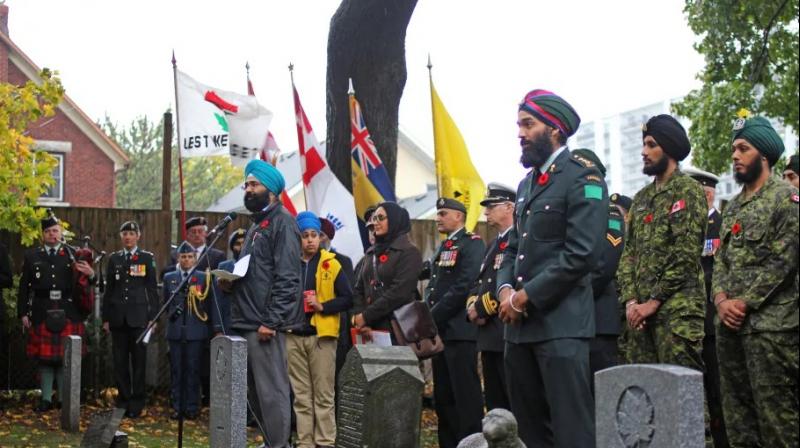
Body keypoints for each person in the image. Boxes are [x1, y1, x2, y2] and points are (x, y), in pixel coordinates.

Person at [496, 89, 607, 447]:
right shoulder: (526, 185)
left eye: (529, 124)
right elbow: (512, 249)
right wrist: (504, 291)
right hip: (519, 330)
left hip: (561, 327)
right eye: (519, 125)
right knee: (529, 431)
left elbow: (582, 254)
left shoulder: (583, 178)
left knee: (572, 430)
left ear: (555, 129)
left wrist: (525, 297)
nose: (520, 133)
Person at [713, 115, 799, 447]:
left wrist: (743, 302)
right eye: (734, 148)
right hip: (730, 331)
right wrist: (721, 301)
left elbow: (784, 261)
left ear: (763, 155)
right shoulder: (732, 208)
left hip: (771, 332)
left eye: (743, 148)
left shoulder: (786, 198)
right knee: (738, 422)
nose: (735, 155)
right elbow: (720, 260)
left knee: (779, 423)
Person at [218, 159, 303, 448]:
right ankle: (269, 442)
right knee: (254, 392)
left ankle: (280, 445)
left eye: (254, 184)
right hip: (245, 319)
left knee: (272, 391)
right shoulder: (255, 227)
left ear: (273, 190)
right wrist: (231, 283)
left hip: (263, 324)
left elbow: (288, 278)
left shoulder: (283, 223)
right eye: (247, 185)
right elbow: (257, 275)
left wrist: (272, 320)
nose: (248, 189)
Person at [286, 211, 353, 448]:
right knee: (301, 396)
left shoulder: (330, 264)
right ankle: (305, 442)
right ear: (298, 239)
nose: (311, 240)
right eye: (305, 236)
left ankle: (325, 441)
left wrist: (323, 306)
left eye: (314, 235)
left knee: (324, 395)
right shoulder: (289, 263)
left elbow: (348, 298)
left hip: (321, 337)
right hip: (292, 336)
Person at [423, 197, 485, 448]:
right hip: (441, 333)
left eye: (443, 213)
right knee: (444, 396)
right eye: (438, 213)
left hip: (460, 330)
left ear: (459, 216)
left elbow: (462, 286)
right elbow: (435, 286)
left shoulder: (472, 244)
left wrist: (432, 315)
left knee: (465, 397)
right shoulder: (444, 246)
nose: (438, 217)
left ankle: (470, 444)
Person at [18, 213, 95, 412]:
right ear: (42, 235)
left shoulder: (74, 255)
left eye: (55, 230)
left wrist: (92, 274)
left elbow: (88, 281)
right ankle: (45, 399)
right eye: (48, 231)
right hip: (42, 309)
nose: (52, 234)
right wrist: (23, 313)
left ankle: (63, 399)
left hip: (68, 309)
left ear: (61, 232)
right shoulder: (32, 256)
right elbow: (24, 287)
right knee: (44, 359)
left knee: (65, 357)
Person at [684, 166, 728, 447]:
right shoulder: (684, 228)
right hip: (686, 325)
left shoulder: (722, 225)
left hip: (712, 325)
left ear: (708, 194)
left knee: (718, 394)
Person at [572, 149, 624, 381]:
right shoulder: (575, 215)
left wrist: (570, 298)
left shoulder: (609, 212)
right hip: (575, 322)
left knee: (603, 396)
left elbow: (603, 266)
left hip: (599, 320)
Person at [466, 182, 515, 412]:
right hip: (487, 335)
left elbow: (511, 280)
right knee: (495, 405)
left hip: (505, 330)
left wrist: (482, 309)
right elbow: (478, 283)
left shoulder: (517, 241)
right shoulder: (492, 245)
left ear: (509, 207)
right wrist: (472, 307)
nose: (485, 212)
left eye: (491, 206)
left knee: (512, 401)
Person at [102, 221, 159, 418]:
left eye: (131, 233)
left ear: (138, 236)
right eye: (124, 233)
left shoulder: (146, 258)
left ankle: (137, 402)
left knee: (139, 362)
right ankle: (123, 401)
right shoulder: (114, 259)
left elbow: (152, 289)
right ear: (120, 236)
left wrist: (153, 317)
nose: (127, 236)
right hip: (118, 319)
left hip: (139, 319)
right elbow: (108, 291)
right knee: (119, 362)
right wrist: (106, 317)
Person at [162, 242, 217, 420]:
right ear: (178, 258)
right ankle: (178, 406)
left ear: (195, 259)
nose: (186, 260)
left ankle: (193, 407)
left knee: (193, 370)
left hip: (196, 330)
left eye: (190, 257)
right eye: (183, 257)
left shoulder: (203, 278)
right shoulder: (169, 277)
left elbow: (209, 305)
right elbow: (166, 303)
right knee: (177, 371)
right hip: (176, 330)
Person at [351, 202, 422, 338]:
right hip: (369, 330)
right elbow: (358, 289)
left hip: (398, 331)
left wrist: (365, 317)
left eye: (381, 218)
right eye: (374, 218)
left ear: (395, 220)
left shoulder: (409, 252)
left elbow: (399, 293)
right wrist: (362, 321)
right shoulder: (371, 253)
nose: (375, 223)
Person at [162, 216, 226, 279]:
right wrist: (179, 266)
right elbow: (165, 274)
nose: (197, 234)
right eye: (193, 232)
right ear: (187, 235)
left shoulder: (217, 256)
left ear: (205, 233)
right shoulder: (176, 254)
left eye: (200, 231)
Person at [214, 228, 247, 335]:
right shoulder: (224, 266)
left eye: (244, 243)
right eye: (237, 244)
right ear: (232, 247)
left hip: (251, 323)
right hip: (229, 322)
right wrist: (218, 328)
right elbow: (217, 300)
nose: (241, 247)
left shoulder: (258, 266)